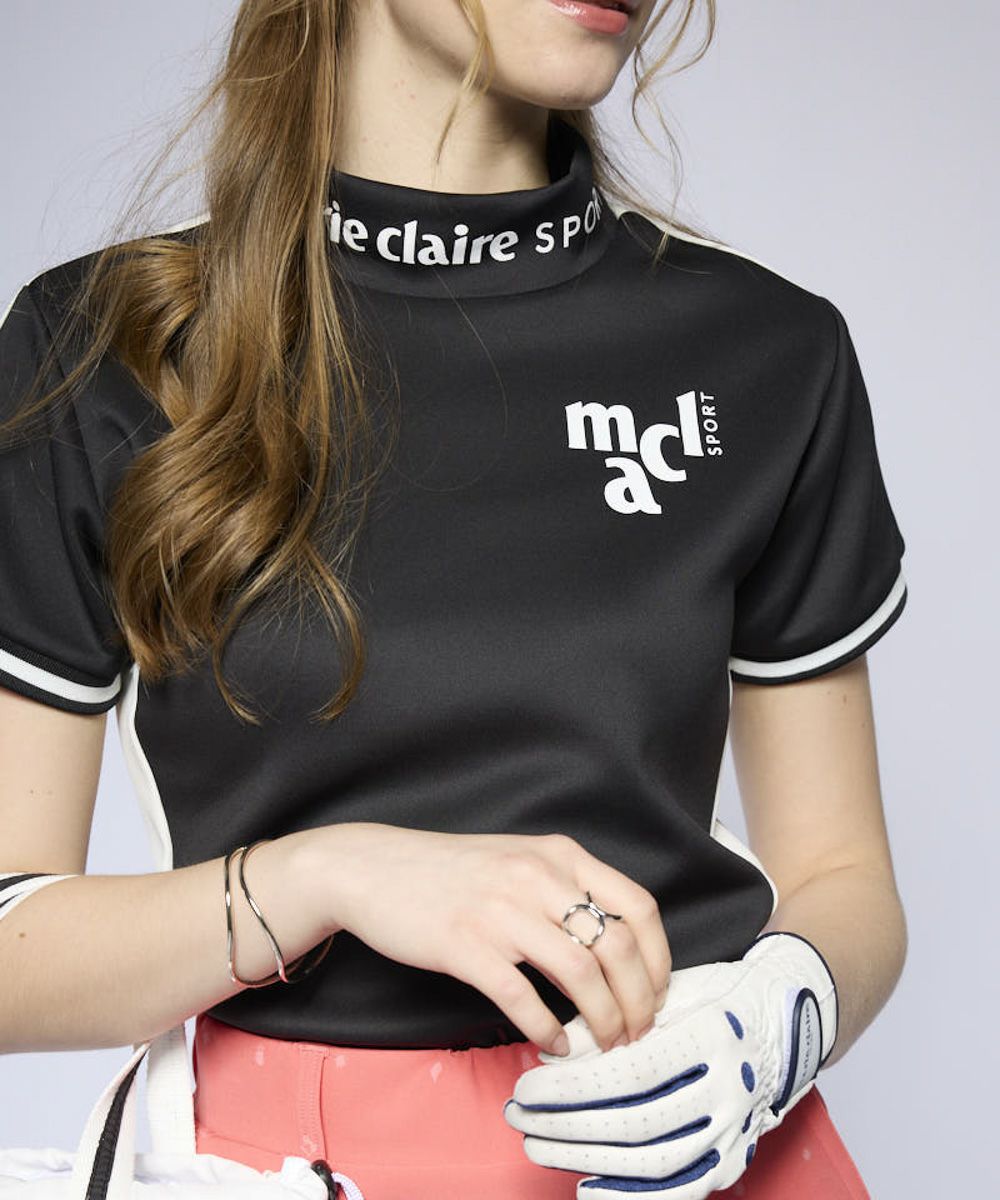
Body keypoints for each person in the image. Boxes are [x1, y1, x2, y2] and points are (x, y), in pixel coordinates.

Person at [0, 2, 908, 1198]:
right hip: (305, 1161)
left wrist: (774, 1023)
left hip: (711, 1151)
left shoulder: (766, 349)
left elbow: (843, 874)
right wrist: (328, 877)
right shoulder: (105, 344)